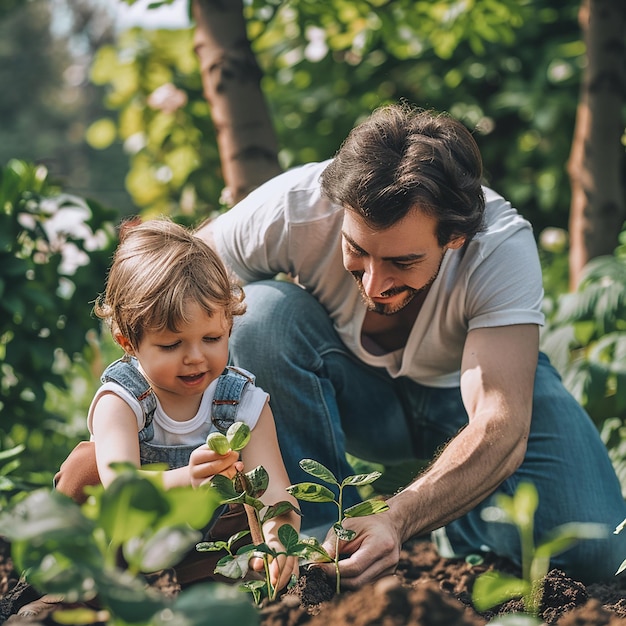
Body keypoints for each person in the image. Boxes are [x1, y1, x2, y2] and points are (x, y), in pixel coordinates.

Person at [196, 103, 626, 587]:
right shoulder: (297, 206)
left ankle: (443, 519)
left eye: (402, 260)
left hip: (462, 407)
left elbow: (500, 423)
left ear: (455, 237)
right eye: (357, 250)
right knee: (258, 314)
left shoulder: (500, 245)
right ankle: (319, 548)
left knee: (599, 551)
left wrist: (398, 517)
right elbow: (177, 280)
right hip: (351, 397)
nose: (375, 284)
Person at [59, 218, 300, 591]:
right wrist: (187, 478)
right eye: (172, 345)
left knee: (240, 484)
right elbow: (122, 488)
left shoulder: (242, 402)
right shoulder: (122, 400)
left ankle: (208, 586)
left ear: (229, 326)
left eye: (212, 338)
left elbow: (274, 492)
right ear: (129, 343)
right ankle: (67, 587)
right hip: (117, 543)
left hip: (198, 548)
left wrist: (277, 538)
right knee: (85, 467)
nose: (195, 357)